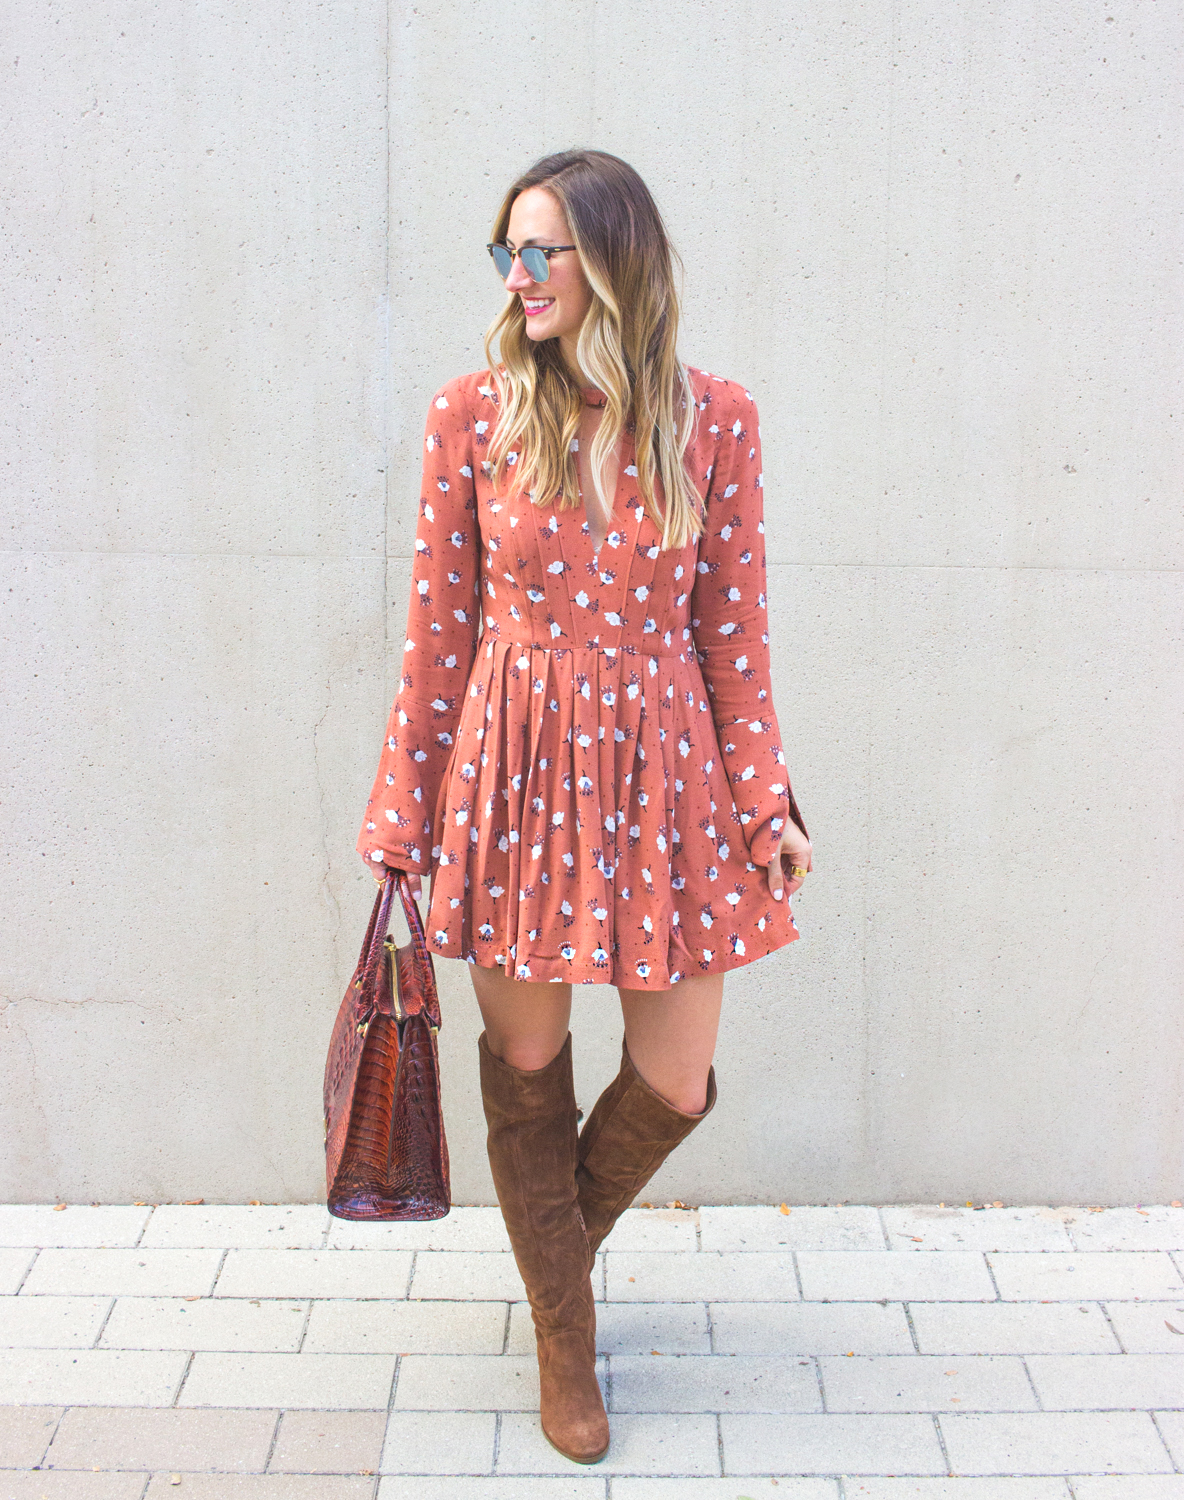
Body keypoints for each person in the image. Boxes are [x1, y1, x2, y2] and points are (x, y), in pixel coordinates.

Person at [356, 148, 812, 1465]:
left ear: (616, 260)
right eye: (508, 251)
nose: (520, 276)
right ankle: (568, 1337)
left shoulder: (714, 421)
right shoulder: (474, 417)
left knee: (673, 1074)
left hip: (666, 775)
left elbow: (737, 642)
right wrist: (404, 814)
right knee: (529, 1067)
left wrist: (763, 799)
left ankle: (554, 1259)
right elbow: (436, 638)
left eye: (543, 248)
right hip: (514, 774)